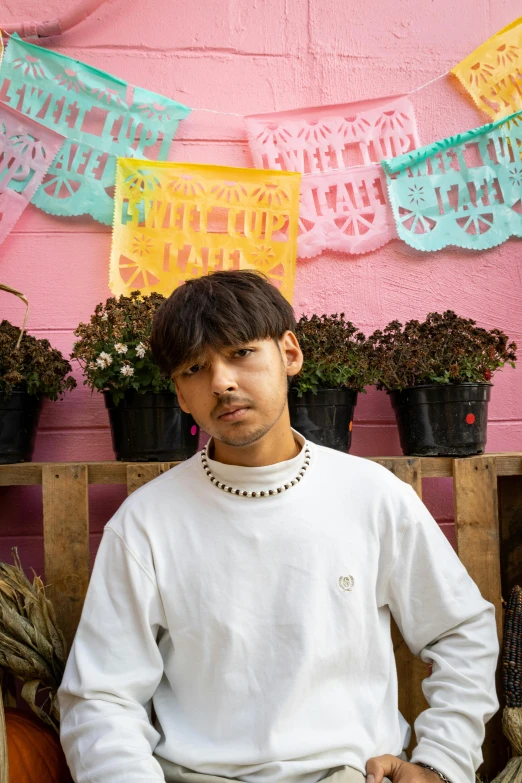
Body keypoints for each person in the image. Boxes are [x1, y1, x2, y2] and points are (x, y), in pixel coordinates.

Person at [57, 270, 499, 783]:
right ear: (180, 395)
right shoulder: (146, 524)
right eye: (195, 368)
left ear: (289, 353)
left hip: (349, 773)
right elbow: (101, 696)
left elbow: (461, 630)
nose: (221, 381)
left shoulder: (373, 497)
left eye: (241, 353)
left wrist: (440, 764)